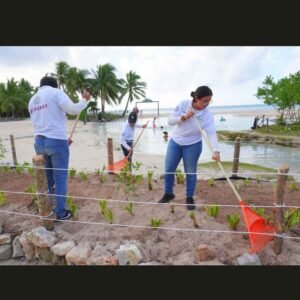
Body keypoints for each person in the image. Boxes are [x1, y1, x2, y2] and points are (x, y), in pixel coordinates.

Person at [28, 76, 91, 220]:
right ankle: (61, 213)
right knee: (60, 178)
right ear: (55, 85)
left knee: (48, 178)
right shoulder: (56, 93)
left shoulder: (32, 100)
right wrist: (85, 101)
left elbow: (43, 121)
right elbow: (73, 109)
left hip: (39, 141)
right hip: (56, 140)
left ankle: (47, 209)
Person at [158, 85, 220, 210]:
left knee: (191, 172)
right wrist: (183, 117)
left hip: (193, 145)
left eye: (209, 101)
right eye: (205, 101)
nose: (207, 104)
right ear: (197, 98)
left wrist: (216, 150)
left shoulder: (207, 114)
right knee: (169, 169)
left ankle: (189, 197)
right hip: (175, 142)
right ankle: (168, 194)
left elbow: (211, 133)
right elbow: (170, 121)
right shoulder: (183, 104)